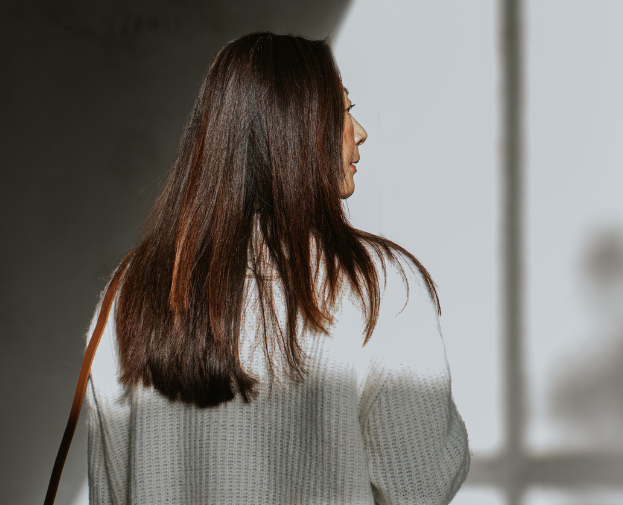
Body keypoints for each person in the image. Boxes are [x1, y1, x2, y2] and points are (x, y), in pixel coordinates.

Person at [82, 32, 470, 504]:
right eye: (344, 110)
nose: (360, 131)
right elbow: (419, 483)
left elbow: (109, 489)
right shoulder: (380, 285)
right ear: (295, 128)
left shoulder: (130, 290)